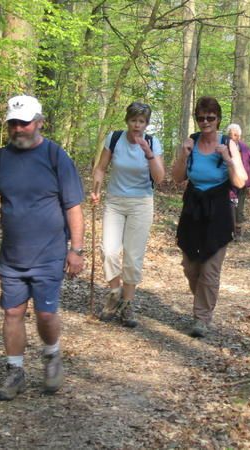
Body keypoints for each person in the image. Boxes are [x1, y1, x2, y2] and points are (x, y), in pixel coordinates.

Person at [0, 95, 85, 401]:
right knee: (12, 312)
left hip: (49, 254)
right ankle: (15, 372)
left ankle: (51, 355)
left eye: (25, 122)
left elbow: (73, 206)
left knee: (45, 315)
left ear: (40, 122)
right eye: (13, 124)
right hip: (12, 256)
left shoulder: (56, 156)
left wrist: (77, 249)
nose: (18, 129)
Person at [172, 96, 247, 338]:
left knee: (210, 269)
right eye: (201, 118)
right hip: (193, 208)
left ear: (218, 120)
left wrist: (228, 159)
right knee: (191, 267)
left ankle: (201, 318)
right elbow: (177, 178)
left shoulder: (228, 144)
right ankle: (203, 302)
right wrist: (183, 155)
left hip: (219, 210)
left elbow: (240, 182)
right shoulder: (190, 142)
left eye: (210, 118)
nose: (205, 122)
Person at [91, 102, 165, 327]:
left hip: (141, 203)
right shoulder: (114, 138)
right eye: (133, 120)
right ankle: (115, 293)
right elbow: (101, 167)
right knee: (109, 251)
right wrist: (95, 189)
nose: (137, 125)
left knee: (133, 256)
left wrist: (149, 154)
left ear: (146, 124)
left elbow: (160, 178)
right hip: (115, 201)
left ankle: (127, 303)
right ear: (127, 121)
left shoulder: (152, 143)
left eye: (141, 121)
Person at [226, 123, 250, 241]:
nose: (232, 137)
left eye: (235, 135)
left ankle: (238, 232)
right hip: (226, 183)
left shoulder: (245, 149)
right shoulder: (222, 147)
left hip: (241, 182)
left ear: (239, 136)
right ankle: (228, 231)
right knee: (228, 207)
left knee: (239, 208)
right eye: (230, 134)